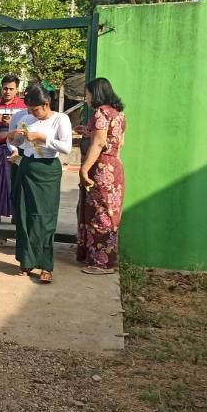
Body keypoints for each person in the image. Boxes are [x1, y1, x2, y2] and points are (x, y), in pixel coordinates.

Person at [7, 85, 72, 284]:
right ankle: (26, 261)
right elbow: (20, 144)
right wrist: (15, 138)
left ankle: (45, 265)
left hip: (48, 169)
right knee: (24, 214)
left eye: (35, 109)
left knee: (45, 218)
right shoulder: (27, 120)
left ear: (46, 104)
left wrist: (41, 137)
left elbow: (66, 147)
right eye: (29, 109)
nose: (32, 113)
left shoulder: (61, 119)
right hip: (27, 167)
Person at [77, 78, 126, 274]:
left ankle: (102, 263)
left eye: (88, 94)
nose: (86, 98)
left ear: (95, 94)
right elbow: (116, 142)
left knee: (99, 214)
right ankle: (104, 259)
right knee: (109, 213)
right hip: (115, 167)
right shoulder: (119, 114)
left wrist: (84, 168)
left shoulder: (101, 113)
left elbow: (98, 144)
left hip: (101, 168)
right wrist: (88, 132)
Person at [0, 75, 27, 222]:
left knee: (15, 180)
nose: (8, 91)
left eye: (11, 89)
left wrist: (13, 123)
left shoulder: (23, 106)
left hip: (17, 149)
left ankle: (16, 213)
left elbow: (27, 128)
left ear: (17, 89)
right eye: (5, 88)